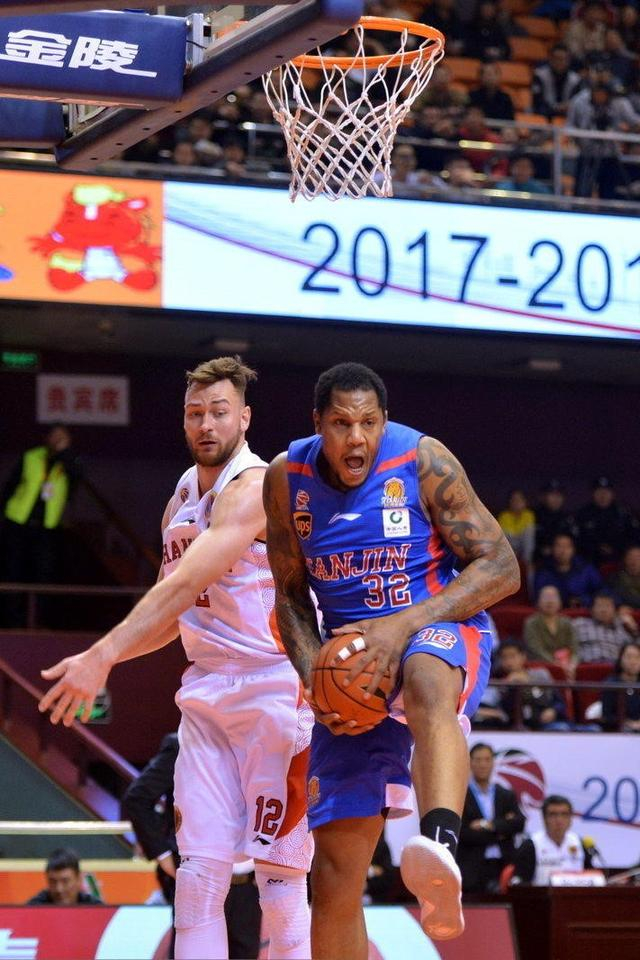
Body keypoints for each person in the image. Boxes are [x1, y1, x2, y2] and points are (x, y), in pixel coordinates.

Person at [38, 357, 313, 960]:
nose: (206, 424)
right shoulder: (183, 495)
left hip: (273, 688)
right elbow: (171, 616)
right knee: (196, 881)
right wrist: (105, 661)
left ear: (244, 417)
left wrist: (102, 653)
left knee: (279, 884)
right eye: (195, 413)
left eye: (219, 412)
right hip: (207, 693)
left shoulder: (254, 485)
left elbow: (186, 583)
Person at [263, 361, 519, 955]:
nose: (357, 438)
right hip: (353, 667)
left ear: (384, 421)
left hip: (437, 625)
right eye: (341, 424)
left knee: (426, 678)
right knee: (333, 876)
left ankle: (439, 848)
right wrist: (313, 676)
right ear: (317, 424)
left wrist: (400, 627)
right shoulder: (286, 479)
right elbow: (290, 594)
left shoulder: (423, 460)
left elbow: (502, 567)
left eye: (369, 423)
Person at [123, 732, 262, 959]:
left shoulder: (258, 740)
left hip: (247, 886)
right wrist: (163, 854)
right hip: (198, 880)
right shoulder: (183, 742)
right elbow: (137, 798)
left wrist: (268, 859)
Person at [0, 423, 80, 626]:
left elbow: (77, 476)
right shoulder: (31, 457)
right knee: (12, 572)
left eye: (62, 437)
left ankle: (38, 622)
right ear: (47, 438)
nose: (57, 440)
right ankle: (12, 622)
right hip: (18, 522)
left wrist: (64, 453)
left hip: (47, 529)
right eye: (55, 436)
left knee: (43, 574)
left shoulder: (70, 462)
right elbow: (10, 486)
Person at [458, 743, 525, 893]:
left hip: (503, 865)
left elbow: (519, 824)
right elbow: (463, 833)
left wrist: (487, 825)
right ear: (470, 763)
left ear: (493, 763)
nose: (483, 764)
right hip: (472, 869)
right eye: (478, 760)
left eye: (487, 759)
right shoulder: (461, 795)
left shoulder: (505, 794)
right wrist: (501, 831)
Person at [511, 795, 595, 885]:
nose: (559, 820)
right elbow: (520, 883)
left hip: (575, 893)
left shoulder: (578, 843)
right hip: (542, 893)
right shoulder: (531, 845)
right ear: (544, 819)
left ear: (571, 819)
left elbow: (592, 878)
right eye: (553, 815)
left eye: (564, 814)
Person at [496, 640, 570, 731]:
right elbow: (505, 712)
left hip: (549, 723)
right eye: (504, 657)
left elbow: (559, 702)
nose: (509, 662)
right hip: (521, 728)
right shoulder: (499, 682)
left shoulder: (540, 675)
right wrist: (510, 686)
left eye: (512, 656)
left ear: (523, 656)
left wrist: (553, 710)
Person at [575, 477, 640, 566]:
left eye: (606, 491)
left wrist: (617, 548)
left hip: (620, 562)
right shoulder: (582, 514)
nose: (603, 495)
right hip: (590, 562)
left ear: (612, 494)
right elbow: (577, 541)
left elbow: (635, 538)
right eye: (599, 491)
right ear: (593, 494)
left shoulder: (624, 513)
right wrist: (597, 547)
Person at [534, 533, 602, 608]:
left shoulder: (586, 568)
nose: (562, 551)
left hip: (582, 610)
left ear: (573, 549)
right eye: (558, 546)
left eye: (567, 546)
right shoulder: (544, 571)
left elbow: (600, 592)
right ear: (552, 549)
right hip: (553, 611)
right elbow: (537, 596)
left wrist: (583, 600)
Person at [523, 585, 578, 672]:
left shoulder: (567, 622)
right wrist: (555, 663)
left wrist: (573, 663)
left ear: (560, 602)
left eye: (553, 597)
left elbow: (575, 647)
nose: (550, 601)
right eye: (546, 597)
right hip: (541, 666)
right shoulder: (531, 623)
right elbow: (535, 649)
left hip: (567, 665)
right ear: (538, 602)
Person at [574, 590, 637, 664]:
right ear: (592, 610)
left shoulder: (622, 627)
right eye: (599, 606)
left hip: (613, 667)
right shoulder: (580, 624)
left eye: (607, 606)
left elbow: (635, 651)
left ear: (615, 611)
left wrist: (633, 629)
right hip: (588, 666)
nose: (603, 610)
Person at [27, 848, 103, 905]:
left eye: (65, 881)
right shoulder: (33, 909)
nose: (59, 889)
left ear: (79, 879)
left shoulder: (95, 908)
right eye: (53, 882)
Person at [532, 45, 582, 120]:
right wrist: (556, 108)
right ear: (550, 59)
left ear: (568, 61)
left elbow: (577, 103)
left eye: (562, 59)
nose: (559, 62)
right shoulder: (540, 75)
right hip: (543, 116)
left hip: (567, 118)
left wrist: (567, 107)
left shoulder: (575, 79)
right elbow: (537, 103)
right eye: (556, 59)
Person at [533, 479, 578, 563]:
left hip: (564, 561)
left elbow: (575, 543)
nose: (556, 498)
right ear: (543, 496)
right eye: (552, 494)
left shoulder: (568, 518)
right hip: (538, 560)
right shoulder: (533, 516)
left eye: (559, 495)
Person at [601, 641, 640, 732]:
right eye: (629, 657)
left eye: (637, 657)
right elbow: (607, 717)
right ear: (620, 659)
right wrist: (629, 724)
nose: (633, 662)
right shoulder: (611, 684)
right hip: (619, 731)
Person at [497, 489, 536, 567]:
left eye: (520, 500)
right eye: (514, 500)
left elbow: (527, 537)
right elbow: (507, 538)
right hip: (510, 547)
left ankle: (526, 563)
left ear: (525, 502)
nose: (517, 503)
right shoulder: (504, 516)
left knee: (528, 534)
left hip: (523, 547)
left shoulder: (529, 515)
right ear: (510, 502)